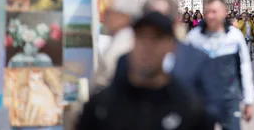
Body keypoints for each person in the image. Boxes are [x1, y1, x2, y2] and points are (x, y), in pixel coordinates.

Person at [76, 8, 214, 130]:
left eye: (156, 38)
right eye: (141, 37)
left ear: (171, 46)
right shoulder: (102, 107)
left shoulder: (188, 108)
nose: (147, 47)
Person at [114, 0, 223, 124]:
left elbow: (212, 107)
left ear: (175, 22)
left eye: (161, 21)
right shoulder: (126, 61)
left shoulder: (197, 60)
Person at [186, 0, 254, 130]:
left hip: (229, 98)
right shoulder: (194, 38)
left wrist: (249, 100)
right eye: (208, 12)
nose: (211, 16)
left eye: (215, 12)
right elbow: (184, 70)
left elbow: (245, 68)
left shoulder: (235, 37)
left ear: (224, 12)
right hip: (201, 100)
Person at [92, 0, 136, 92]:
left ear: (124, 17)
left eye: (109, 13)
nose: (105, 17)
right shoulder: (120, 38)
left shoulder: (125, 42)